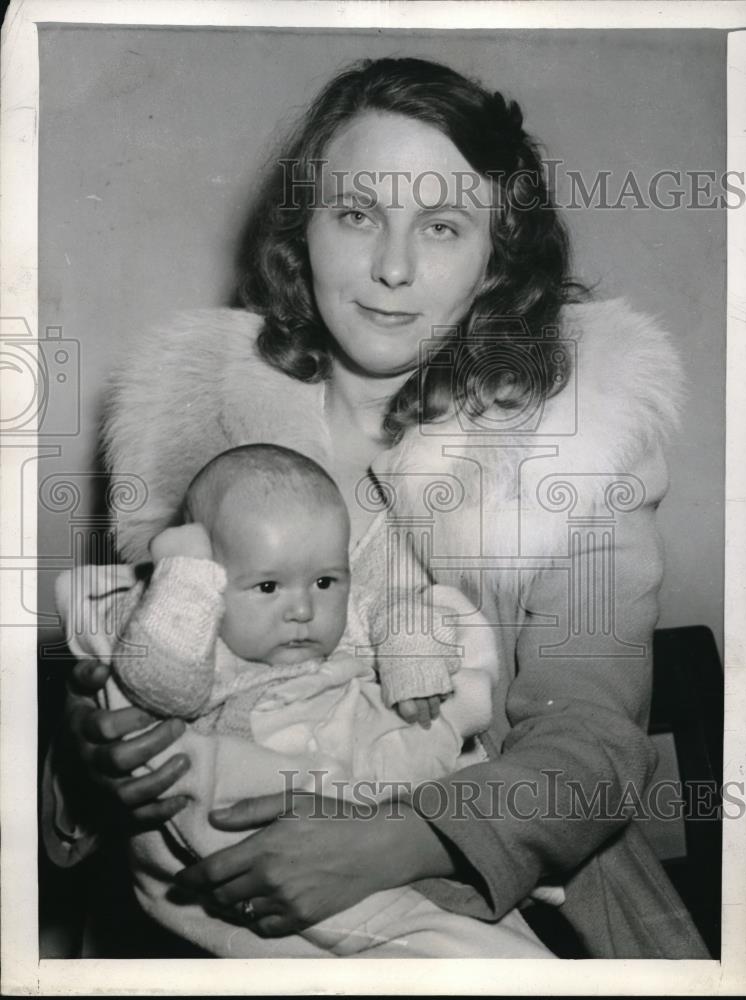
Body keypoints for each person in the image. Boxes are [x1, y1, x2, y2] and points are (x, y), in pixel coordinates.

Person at [46, 56, 708, 958]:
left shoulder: (577, 445)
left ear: (493, 260)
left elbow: (591, 741)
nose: (392, 268)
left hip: (514, 911)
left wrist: (400, 840)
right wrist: (90, 763)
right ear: (302, 231)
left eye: (441, 226)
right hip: (198, 916)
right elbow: (123, 666)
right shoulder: (187, 428)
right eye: (356, 214)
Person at [58, 442, 556, 957]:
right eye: (268, 586)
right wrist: (181, 579)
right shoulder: (190, 632)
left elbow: (399, 610)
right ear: (205, 575)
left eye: (324, 581)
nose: (301, 608)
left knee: (489, 950)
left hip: (377, 822)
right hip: (243, 844)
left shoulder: (345, 624)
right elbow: (161, 682)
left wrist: (410, 652)